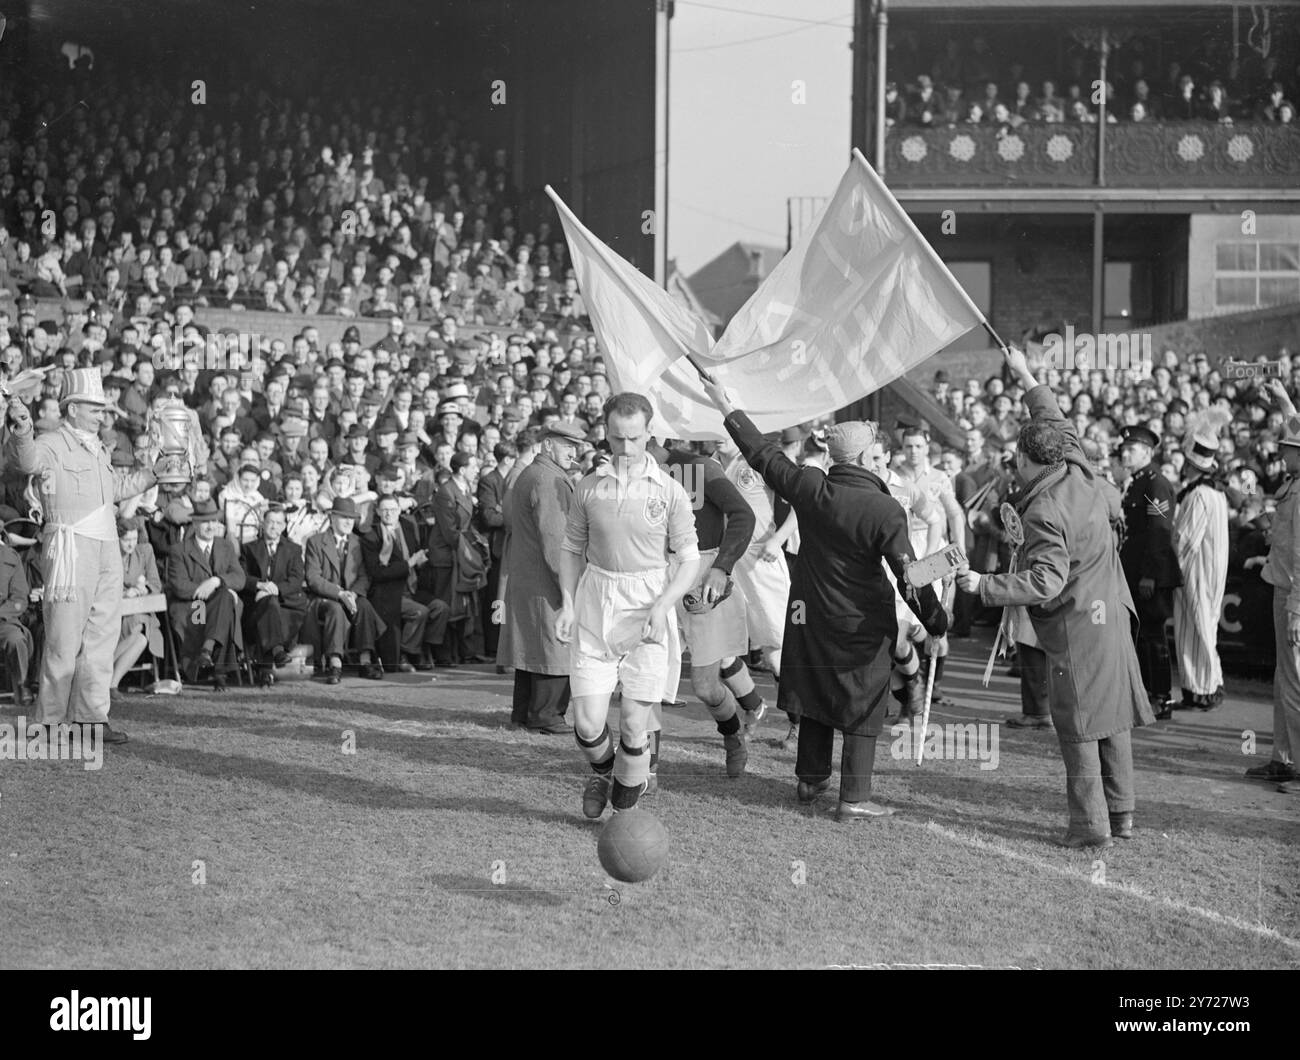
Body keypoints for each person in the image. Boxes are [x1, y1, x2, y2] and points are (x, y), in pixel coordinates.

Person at [700, 375, 946, 820]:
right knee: (862, 701)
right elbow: (909, 577)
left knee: (815, 689)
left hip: (808, 613)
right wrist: (938, 618)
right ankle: (853, 797)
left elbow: (762, 454)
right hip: (862, 622)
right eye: (875, 452)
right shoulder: (883, 508)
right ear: (864, 458)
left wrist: (728, 405)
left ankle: (810, 779)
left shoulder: (810, 487)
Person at [957, 347, 1154, 848]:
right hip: (1112, 612)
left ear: (1024, 459)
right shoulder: (1079, 467)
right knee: (1113, 721)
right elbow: (1053, 418)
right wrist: (1023, 371)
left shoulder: (1044, 509)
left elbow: (1045, 580)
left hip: (1078, 627)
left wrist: (984, 585)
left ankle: (1090, 827)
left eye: (1014, 459)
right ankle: (1123, 813)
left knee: (1080, 727)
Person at [556, 392, 701, 818]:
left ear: (648, 434)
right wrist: (567, 603)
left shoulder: (672, 490)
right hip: (596, 600)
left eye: (634, 439)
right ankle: (604, 772)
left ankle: (622, 813)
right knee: (586, 723)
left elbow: (689, 558)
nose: (625, 449)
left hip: (649, 604)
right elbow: (570, 549)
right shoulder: (588, 487)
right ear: (606, 433)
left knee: (636, 724)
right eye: (617, 439)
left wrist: (664, 605)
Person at [4, 369, 159, 743]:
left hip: (106, 547)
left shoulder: (99, 448)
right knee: (63, 636)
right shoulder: (52, 442)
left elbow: (115, 489)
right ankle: (51, 722)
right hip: (71, 548)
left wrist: (153, 474)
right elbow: (25, 462)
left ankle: (91, 719)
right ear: (71, 409)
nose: (101, 414)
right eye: (93, 407)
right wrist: (22, 423)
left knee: (101, 637)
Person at [649, 435, 758, 778]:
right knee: (647, 680)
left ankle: (732, 733)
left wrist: (722, 567)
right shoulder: (620, 472)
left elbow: (743, 515)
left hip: (699, 575)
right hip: (649, 576)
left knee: (706, 687)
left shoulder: (699, 468)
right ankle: (644, 765)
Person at [500, 422, 583, 733]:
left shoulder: (535, 473)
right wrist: (570, 589)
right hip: (545, 578)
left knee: (531, 649)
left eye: (575, 447)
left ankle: (525, 714)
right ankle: (547, 715)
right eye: (566, 445)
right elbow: (556, 541)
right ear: (548, 445)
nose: (573, 453)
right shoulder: (549, 480)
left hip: (527, 576)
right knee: (555, 644)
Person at [716, 428, 795, 745]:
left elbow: (801, 505)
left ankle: (798, 723)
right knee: (717, 648)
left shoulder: (760, 462)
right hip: (722, 564)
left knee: (776, 651)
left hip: (761, 561)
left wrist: (778, 538)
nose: (718, 436)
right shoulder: (705, 465)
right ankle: (753, 706)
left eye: (723, 429)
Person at [1118, 423, 1183, 716]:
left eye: (1130, 449)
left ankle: (1161, 697)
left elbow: (1159, 531)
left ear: (1147, 452)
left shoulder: (1155, 483)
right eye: (1123, 448)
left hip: (1150, 573)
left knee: (1153, 636)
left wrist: (1150, 574)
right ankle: (1147, 694)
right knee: (1141, 635)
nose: (1124, 453)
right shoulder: (1138, 481)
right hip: (1136, 571)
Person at [1251, 415, 1300, 793]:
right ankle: (1284, 759)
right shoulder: (1292, 486)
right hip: (1284, 589)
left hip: (1294, 596)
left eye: (1288, 448)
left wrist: (1297, 607)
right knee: (1285, 680)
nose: (1282, 452)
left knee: (1295, 684)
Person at [1172, 410, 1230, 715]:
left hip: (1197, 571)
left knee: (1195, 629)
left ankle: (1202, 691)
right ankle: (1206, 686)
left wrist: (1171, 569)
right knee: (1203, 628)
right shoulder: (1216, 493)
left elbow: (1185, 541)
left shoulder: (1199, 495)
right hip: (1211, 571)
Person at [302, 496, 387, 683]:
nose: (349, 522)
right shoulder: (315, 542)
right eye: (343, 517)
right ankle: (335, 663)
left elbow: (365, 576)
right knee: (336, 608)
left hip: (352, 595)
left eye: (351, 518)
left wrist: (353, 594)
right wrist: (340, 593)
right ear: (332, 518)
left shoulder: (358, 542)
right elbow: (313, 578)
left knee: (364, 605)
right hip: (324, 598)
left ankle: (365, 661)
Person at [166, 498, 246, 691]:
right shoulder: (179, 550)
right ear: (194, 523)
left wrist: (216, 581)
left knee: (225, 600)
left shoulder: (225, 546)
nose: (211, 526)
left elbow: (240, 577)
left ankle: (207, 651)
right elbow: (179, 585)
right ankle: (219, 673)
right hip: (194, 606)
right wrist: (212, 590)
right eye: (205, 522)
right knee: (225, 601)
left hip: (218, 607)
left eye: (214, 521)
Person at [241, 505, 308, 687]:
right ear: (263, 524)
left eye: (279, 523)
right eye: (270, 522)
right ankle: (277, 652)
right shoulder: (249, 549)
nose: (274, 527)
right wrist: (260, 585)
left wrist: (275, 588)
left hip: (286, 605)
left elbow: (296, 579)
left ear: (284, 526)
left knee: (270, 607)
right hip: (256, 607)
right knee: (267, 607)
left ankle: (266, 670)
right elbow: (242, 577)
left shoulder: (293, 549)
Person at [112, 516, 162, 692]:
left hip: (140, 611)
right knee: (139, 637)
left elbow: (155, 583)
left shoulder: (145, 551)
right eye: (126, 540)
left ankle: (110, 682)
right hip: (114, 612)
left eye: (134, 539)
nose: (130, 544)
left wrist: (144, 588)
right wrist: (125, 593)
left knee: (139, 631)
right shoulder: (109, 554)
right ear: (117, 538)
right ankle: (105, 676)